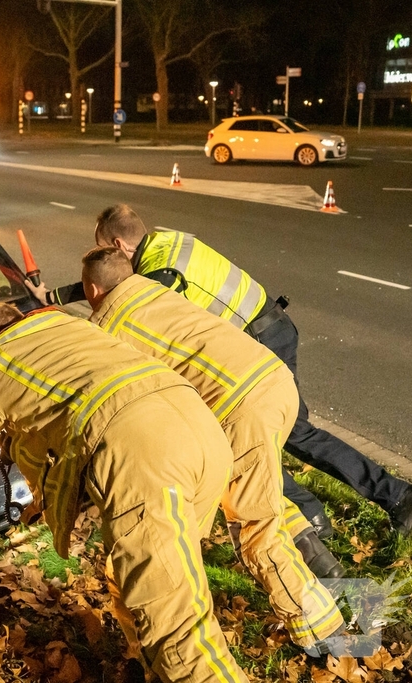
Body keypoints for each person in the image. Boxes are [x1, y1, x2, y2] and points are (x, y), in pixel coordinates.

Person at [32, 204, 412, 537]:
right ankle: (390, 495)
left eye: (107, 251)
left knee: (248, 443)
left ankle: (313, 521)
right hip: (270, 329)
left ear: (119, 246)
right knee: (289, 434)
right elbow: (114, 282)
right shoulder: (168, 242)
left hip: (258, 344)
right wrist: (52, 296)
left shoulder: (161, 274)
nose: (111, 262)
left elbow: (122, 295)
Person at [0, 302, 249, 683]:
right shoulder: (69, 326)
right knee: (144, 579)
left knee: (174, 621)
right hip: (200, 427)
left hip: (145, 454)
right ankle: (154, 669)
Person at [81, 246, 346, 652]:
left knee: (255, 529)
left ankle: (323, 631)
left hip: (239, 409)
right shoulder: (157, 291)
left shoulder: (106, 328)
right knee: (263, 492)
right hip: (274, 381)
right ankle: (323, 568)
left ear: (94, 289)